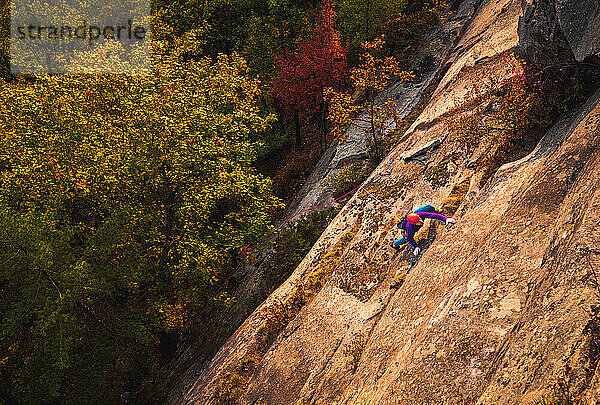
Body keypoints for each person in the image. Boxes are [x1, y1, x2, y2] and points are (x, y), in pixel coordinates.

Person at [391, 209, 455, 256]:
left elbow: (431, 215)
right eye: (418, 221)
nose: (421, 221)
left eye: (420, 219)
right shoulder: (410, 228)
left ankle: (434, 209)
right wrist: (415, 247)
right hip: (406, 224)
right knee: (406, 239)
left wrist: (445, 219)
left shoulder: (419, 215)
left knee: (428, 207)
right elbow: (410, 238)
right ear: (414, 223)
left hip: (413, 215)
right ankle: (394, 244)